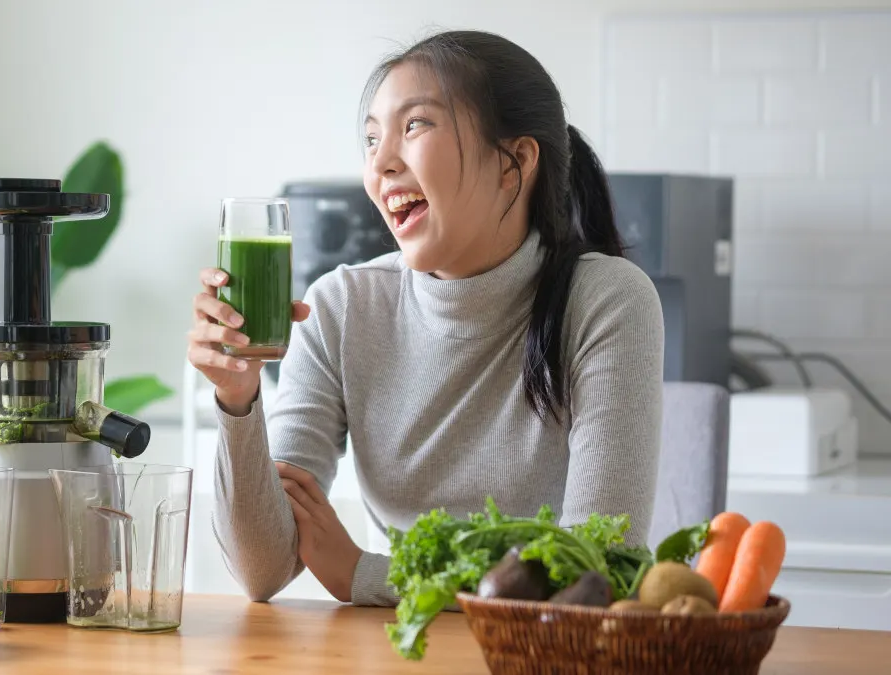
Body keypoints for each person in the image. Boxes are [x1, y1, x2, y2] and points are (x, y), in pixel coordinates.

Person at [186, 30, 664, 607]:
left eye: (414, 126)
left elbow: (599, 570)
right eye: (370, 138)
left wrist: (367, 575)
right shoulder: (341, 307)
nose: (381, 163)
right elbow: (262, 570)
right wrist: (239, 401)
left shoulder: (606, 300)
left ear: (513, 163)